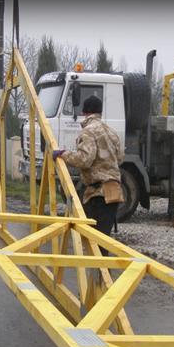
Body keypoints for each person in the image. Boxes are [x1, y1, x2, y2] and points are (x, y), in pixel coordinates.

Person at [53, 96, 124, 254]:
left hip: (97, 194)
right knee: (102, 241)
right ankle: (101, 277)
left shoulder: (88, 131)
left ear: (85, 112)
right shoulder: (111, 132)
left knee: (93, 242)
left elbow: (84, 159)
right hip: (113, 191)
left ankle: (100, 276)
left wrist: (64, 154)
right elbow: (119, 157)